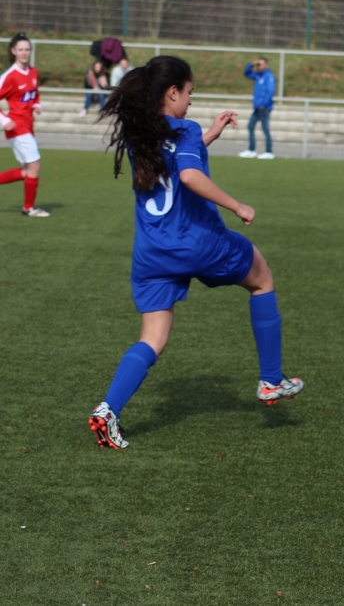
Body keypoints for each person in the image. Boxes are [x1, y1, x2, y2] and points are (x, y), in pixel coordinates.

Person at [89, 56, 303, 449]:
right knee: (261, 278)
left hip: (152, 252)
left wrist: (209, 136)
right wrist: (237, 206)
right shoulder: (184, 128)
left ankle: (108, 411)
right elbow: (187, 175)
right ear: (172, 92)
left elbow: (173, 164)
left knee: (153, 338)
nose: (190, 102)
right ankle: (271, 379)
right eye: (189, 93)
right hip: (197, 242)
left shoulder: (141, 134)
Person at [0, 33, 49, 217]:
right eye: (20, 49)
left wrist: (37, 104)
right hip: (17, 127)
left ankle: (28, 207)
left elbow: (35, 94)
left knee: (27, 171)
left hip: (28, 126)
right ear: (13, 51)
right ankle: (29, 208)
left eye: (27, 49)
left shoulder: (33, 72)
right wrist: (4, 120)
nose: (24, 52)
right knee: (34, 167)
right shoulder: (10, 76)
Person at [239, 57, 276, 160]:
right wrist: (251, 64)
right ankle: (251, 150)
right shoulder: (258, 76)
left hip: (264, 107)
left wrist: (263, 104)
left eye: (261, 64)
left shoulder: (269, 77)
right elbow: (247, 74)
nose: (259, 67)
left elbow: (270, 92)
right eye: (258, 65)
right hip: (257, 107)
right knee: (250, 126)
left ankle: (269, 151)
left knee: (265, 129)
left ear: (266, 65)